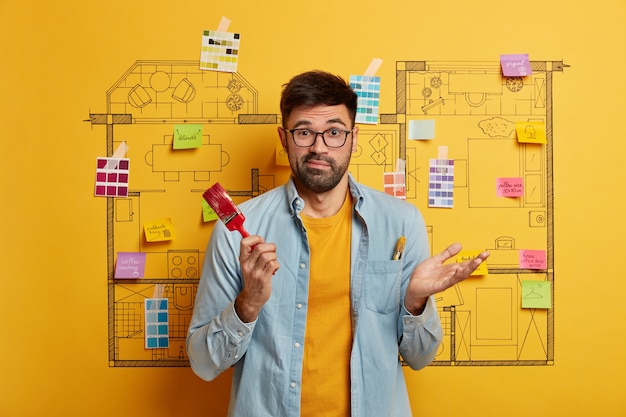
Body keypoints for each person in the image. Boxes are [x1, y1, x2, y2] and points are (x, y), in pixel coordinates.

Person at [186, 70, 489, 417]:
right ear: (284, 139)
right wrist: (248, 304)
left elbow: (421, 357)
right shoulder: (239, 231)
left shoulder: (401, 224)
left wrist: (415, 302)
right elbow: (203, 363)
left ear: (354, 137)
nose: (319, 147)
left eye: (334, 132)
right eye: (304, 132)